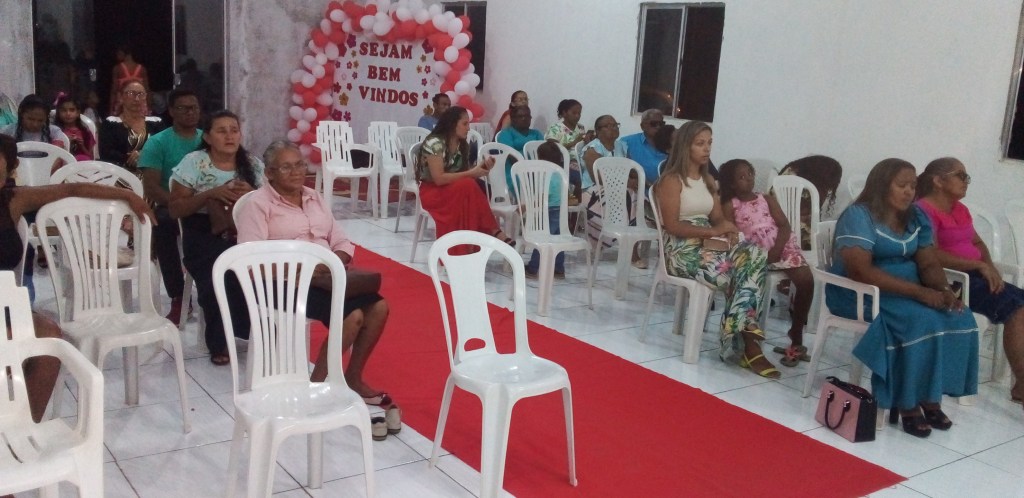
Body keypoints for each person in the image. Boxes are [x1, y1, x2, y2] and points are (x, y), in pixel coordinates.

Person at [0, 133, 155, 422]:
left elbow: (71, 189)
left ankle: (28, 427)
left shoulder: (12, 200)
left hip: (4, 304)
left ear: (9, 169)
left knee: (49, 336)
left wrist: (127, 195)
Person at [236, 141, 395, 413]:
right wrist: (304, 269)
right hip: (283, 284)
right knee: (353, 316)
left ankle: (353, 376)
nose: (296, 171)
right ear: (269, 173)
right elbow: (251, 260)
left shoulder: (313, 196)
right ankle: (316, 386)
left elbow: (340, 239)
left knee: (379, 306)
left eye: (299, 164)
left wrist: (336, 260)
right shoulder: (258, 204)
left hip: (325, 277)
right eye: (286, 167)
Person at [828, 158, 978, 438]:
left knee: (960, 316)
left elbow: (928, 263)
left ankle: (930, 397)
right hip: (861, 292)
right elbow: (860, 271)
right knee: (919, 320)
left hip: (907, 290)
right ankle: (906, 402)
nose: (909, 192)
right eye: (901, 185)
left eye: (912, 186)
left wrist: (944, 290)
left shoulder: (916, 216)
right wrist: (920, 293)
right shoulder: (859, 215)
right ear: (882, 185)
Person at [654, 121, 773, 378]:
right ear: (685, 146)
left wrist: (727, 228)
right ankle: (748, 344)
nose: (707, 148)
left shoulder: (708, 180)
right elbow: (672, 225)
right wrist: (712, 231)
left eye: (709, 143)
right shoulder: (671, 181)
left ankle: (740, 337)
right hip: (682, 250)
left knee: (755, 254)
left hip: (709, 246)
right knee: (741, 275)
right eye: (700, 143)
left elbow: (717, 217)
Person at [916, 157, 1024, 410]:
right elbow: (930, 254)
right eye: (960, 176)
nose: (966, 182)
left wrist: (989, 266)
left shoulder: (959, 209)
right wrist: (978, 266)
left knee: (1020, 301)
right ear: (938, 181)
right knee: (1016, 309)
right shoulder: (923, 210)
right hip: (949, 280)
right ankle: (1022, 382)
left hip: (975, 274)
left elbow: (977, 243)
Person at [169, 110, 263, 364]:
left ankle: (253, 329)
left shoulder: (252, 164)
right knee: (219, 271)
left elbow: (270, 204)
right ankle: (219, 340)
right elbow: (175, 209)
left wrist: (252, 193)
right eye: (221, 131)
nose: (229, 136)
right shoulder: (194, 162)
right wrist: (211, 194)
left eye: (234, 130)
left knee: (256, 267)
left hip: (244, 229)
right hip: (202, 231)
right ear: (208, 137)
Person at [719, 159, 813, 367]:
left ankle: (796, 332)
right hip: (752, 251)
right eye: (741, 177)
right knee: (752, 287)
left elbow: (784, 225)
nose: (748, 179)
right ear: (731, 183)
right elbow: (729, 233)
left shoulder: (766, 199)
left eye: (750, 173)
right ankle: (748, 335)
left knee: (806, 280)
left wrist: (777, 249)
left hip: (780, 246)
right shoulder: (730, 204)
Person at [139, 89, 203, 324]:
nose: (190, 113)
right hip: (172, 204)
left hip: (208, 204)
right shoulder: (158, 143)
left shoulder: (208, 139)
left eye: (194, 108)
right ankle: (178, 296)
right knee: (163, 224)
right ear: (172, 111)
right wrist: (182, 204)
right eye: (183, 108)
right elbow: (151, 188)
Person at [417, 106, 509, 255]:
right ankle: (493, 230)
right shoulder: (435, 143)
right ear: (453, 124)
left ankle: (478, 240)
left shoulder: (461, 144)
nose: (468, 128)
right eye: (465, 124)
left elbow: (461, 174)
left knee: (471, 186)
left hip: (454, 188)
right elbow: (439, 179)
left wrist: (481, 169)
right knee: (468, 184)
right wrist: (472, 173)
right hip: (432, 191)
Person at [580, 114, 628, 246]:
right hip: (593, 190)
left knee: (636, 196)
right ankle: (607, 239)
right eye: (608, 126)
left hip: (619, 188)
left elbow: (631, 170)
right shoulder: (592, 149)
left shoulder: (622, 146)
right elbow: (598, 177)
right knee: (626, 195)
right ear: (598, 131)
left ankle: (630, 243)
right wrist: (626, 182)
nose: (614, 128)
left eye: (615, 125)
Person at [522, 142, 567, 279]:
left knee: (541, 240)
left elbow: (543, 196)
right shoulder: (561, 173)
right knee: (559, 241)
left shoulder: (547, 174)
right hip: (561, 211)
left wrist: (527, 206)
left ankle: (533, 268)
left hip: (549, 211)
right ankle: (559, 268)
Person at [778, 155, 843, 248]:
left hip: (776, 227)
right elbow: (807, 213)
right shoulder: (807, 187)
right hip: (797, 235)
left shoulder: (789, 173)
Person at [100, 79, 164, 172]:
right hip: (119, 174)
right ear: (121, 97)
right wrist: (131, 159)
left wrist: (144, 155)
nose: (137, 99)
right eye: (131, 93)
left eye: (141, 94)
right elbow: (106, 154)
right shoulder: (111, 123)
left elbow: (164, 149)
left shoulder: (156, 122)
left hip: (151, 174)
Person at [544, 99, 589, 200]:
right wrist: (574, 142)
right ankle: (575, 205)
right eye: (574, 113)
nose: (577, 116)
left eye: (579, 113)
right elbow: (552, 150)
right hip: (562, 163)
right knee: (581, 178)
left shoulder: (580, 128)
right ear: (564, 113)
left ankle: (588, 205)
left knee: (594, 174)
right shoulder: (555, 128)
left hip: (580, 161)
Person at [495, 104, 543, 191]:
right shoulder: (505, 134)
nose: (524, 119)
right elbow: (511, 156)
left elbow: (544, 153)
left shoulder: (536, 133)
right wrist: (529, 170)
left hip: (537, 170)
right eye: (520, 116)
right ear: (513, 119)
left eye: (527, 116)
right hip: (514, 170)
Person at [0, 94, 69, 149]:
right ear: (21, 114)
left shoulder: (53, 132)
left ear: (46, 118)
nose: (35, 124)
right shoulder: (8, 132)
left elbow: (58, 152)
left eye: (40, 120)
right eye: (30, 119)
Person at [621, 109, 668, 184]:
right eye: (654, 124)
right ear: (643, 126)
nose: (658, 127)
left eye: (661, 124)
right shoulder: (626, 142)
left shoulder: (669, 144)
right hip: (637, 189)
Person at [53, 93, 96, 161]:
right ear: (58, 113)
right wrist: (66, 142)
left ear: (78, 113)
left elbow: (91, 158)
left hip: (81, 165)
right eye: (64, 110)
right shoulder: (55, 131)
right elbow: (52, 155)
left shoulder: (86, 132)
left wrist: (82, 146)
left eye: (72, 110)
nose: (68, 113)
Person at [109, 45, 149, 115]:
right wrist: (149, 109)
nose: (116, 55)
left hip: (123, 106)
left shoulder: (117, 69)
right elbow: (147, 90)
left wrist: (111, 110)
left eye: (118, 53)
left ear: (123, 53)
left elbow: (114, 91)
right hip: (139, 105)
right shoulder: (142, 69)